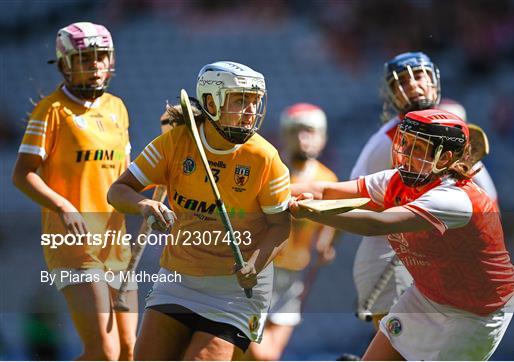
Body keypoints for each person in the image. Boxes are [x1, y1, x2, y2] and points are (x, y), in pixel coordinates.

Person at [290, 109, 514, 360]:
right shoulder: (397, 181)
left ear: (445, 158)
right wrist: (270, 192)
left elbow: (377, 223)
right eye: (404, 143)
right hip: (425, 297)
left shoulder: (454, 199)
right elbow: (326, 191)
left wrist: (312, 213)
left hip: (475, 314)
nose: (405, 154)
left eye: (418, 148)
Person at [107, 61, 291, 361]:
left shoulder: (265, 158)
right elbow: (117, 190)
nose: (250, 111)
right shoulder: (175, 143)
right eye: (241, 100)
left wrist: (254, 264)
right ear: (211, 102)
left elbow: (281, 226)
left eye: (255, 102)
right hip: (178, 280)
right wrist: (144, 204)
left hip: (234, 293)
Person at [12, 22, 136, 360]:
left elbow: (124, 179)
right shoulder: (51, 111)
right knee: (104, 351)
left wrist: (153, 196)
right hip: (73, 246)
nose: (94, 66)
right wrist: (63, 205)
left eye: (100, 58)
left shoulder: (117, 109)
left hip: (115, 244)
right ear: (65, 64)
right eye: (85, 58)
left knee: (128, 351)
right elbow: (22, 174)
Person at [349, 52, 440, 329]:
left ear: (434, 80)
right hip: (391, 257)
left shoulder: (442, 127)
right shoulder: (389, 140)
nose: (412, 85)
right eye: (402, 81)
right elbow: (357, 197)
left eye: (419, 76)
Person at [246, 103, 338, 361]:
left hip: (295, 274)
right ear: (285, 134)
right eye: (296, 131)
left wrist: (325, 244)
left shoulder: (327, 179)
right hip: (261, 271)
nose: (303, 138)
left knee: (271, 353)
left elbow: (333, 221)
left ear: (323, 137)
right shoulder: (271, 171)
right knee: (253, 350)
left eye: (310, 131)